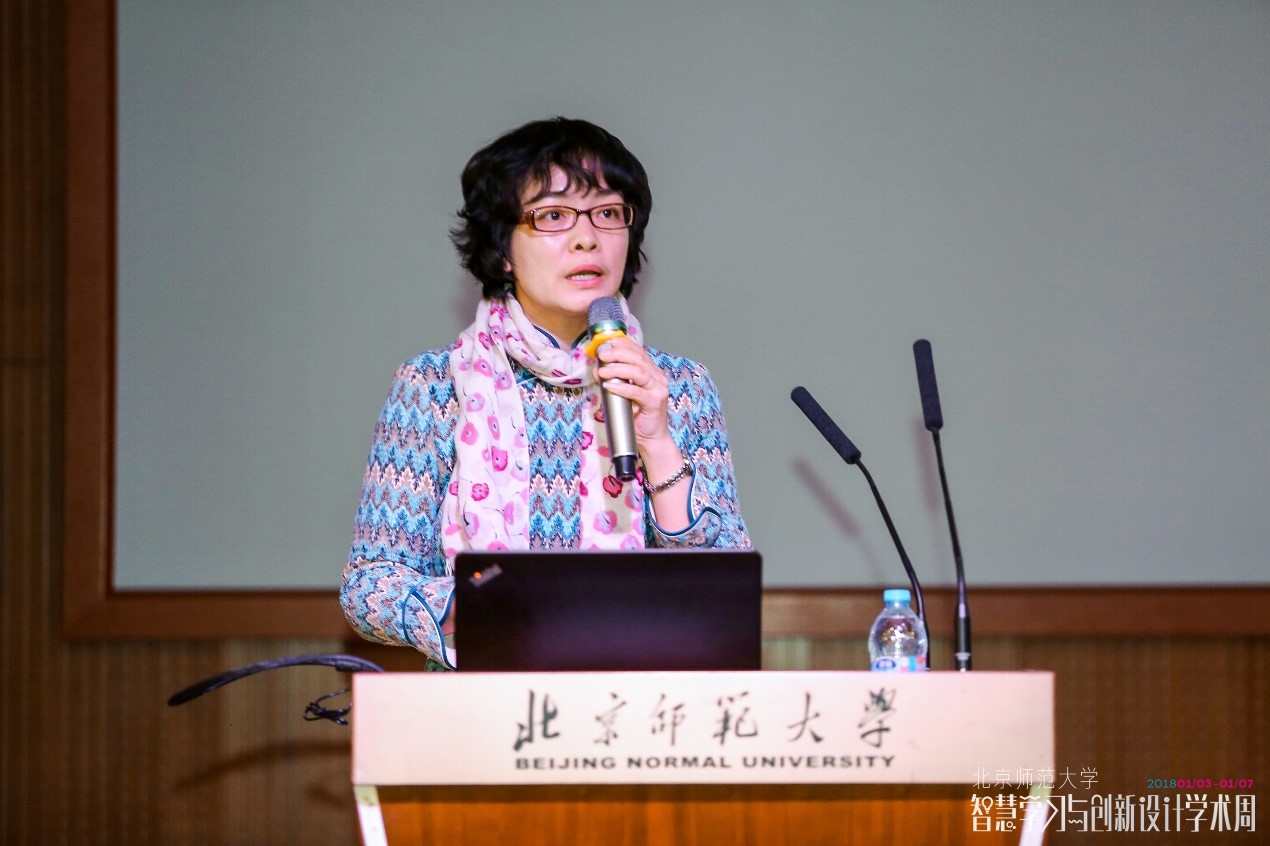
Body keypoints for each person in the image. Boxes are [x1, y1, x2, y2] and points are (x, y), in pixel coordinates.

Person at [340, 117, 751, 669]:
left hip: (633, 701)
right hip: (477, 705)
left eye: (608, 213)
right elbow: (369, 586)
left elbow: (724, 592)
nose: (588, 238)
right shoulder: (434, 386)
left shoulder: (676, 387)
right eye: (553, 215)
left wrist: (656, 443)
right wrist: (503, 607)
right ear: (501, 250)